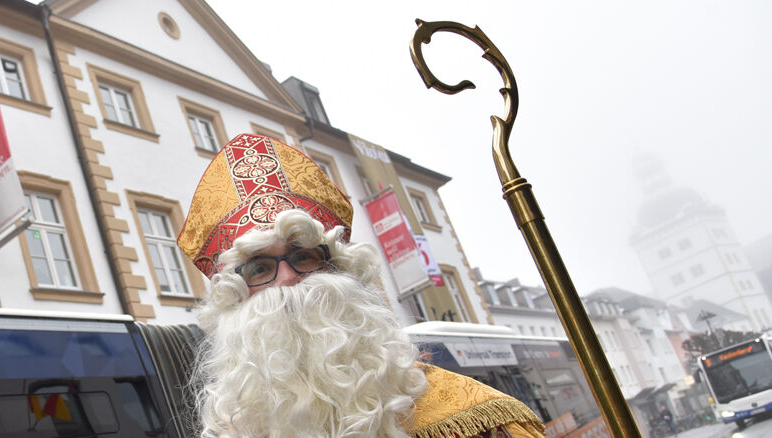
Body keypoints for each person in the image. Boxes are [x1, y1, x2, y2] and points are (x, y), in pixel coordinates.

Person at [178, 133, 545, 438]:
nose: (287, 278)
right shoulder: (233, 429)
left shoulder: (474, 420)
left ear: (340, 270)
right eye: (259, 268)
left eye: (303, 256)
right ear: (234, 298)